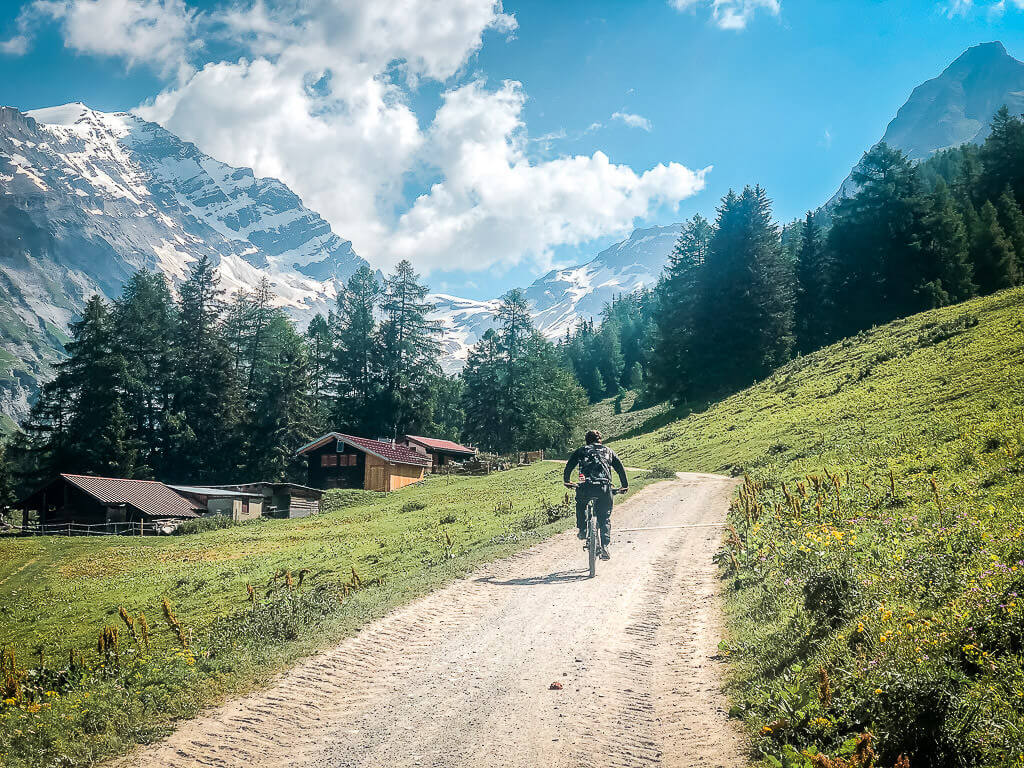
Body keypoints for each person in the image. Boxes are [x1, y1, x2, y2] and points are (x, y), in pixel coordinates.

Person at [563, 429, 628, 560]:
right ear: (600, 440)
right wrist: (624, 485)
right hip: (604, 488)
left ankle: (582, 530)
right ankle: (605, 546)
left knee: (581, 505)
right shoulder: (608, 451)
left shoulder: (581, 451)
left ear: (586, 441)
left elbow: (569, 467)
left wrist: (567, 481)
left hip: (585, 487)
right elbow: (619, 468)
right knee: (604, 517)